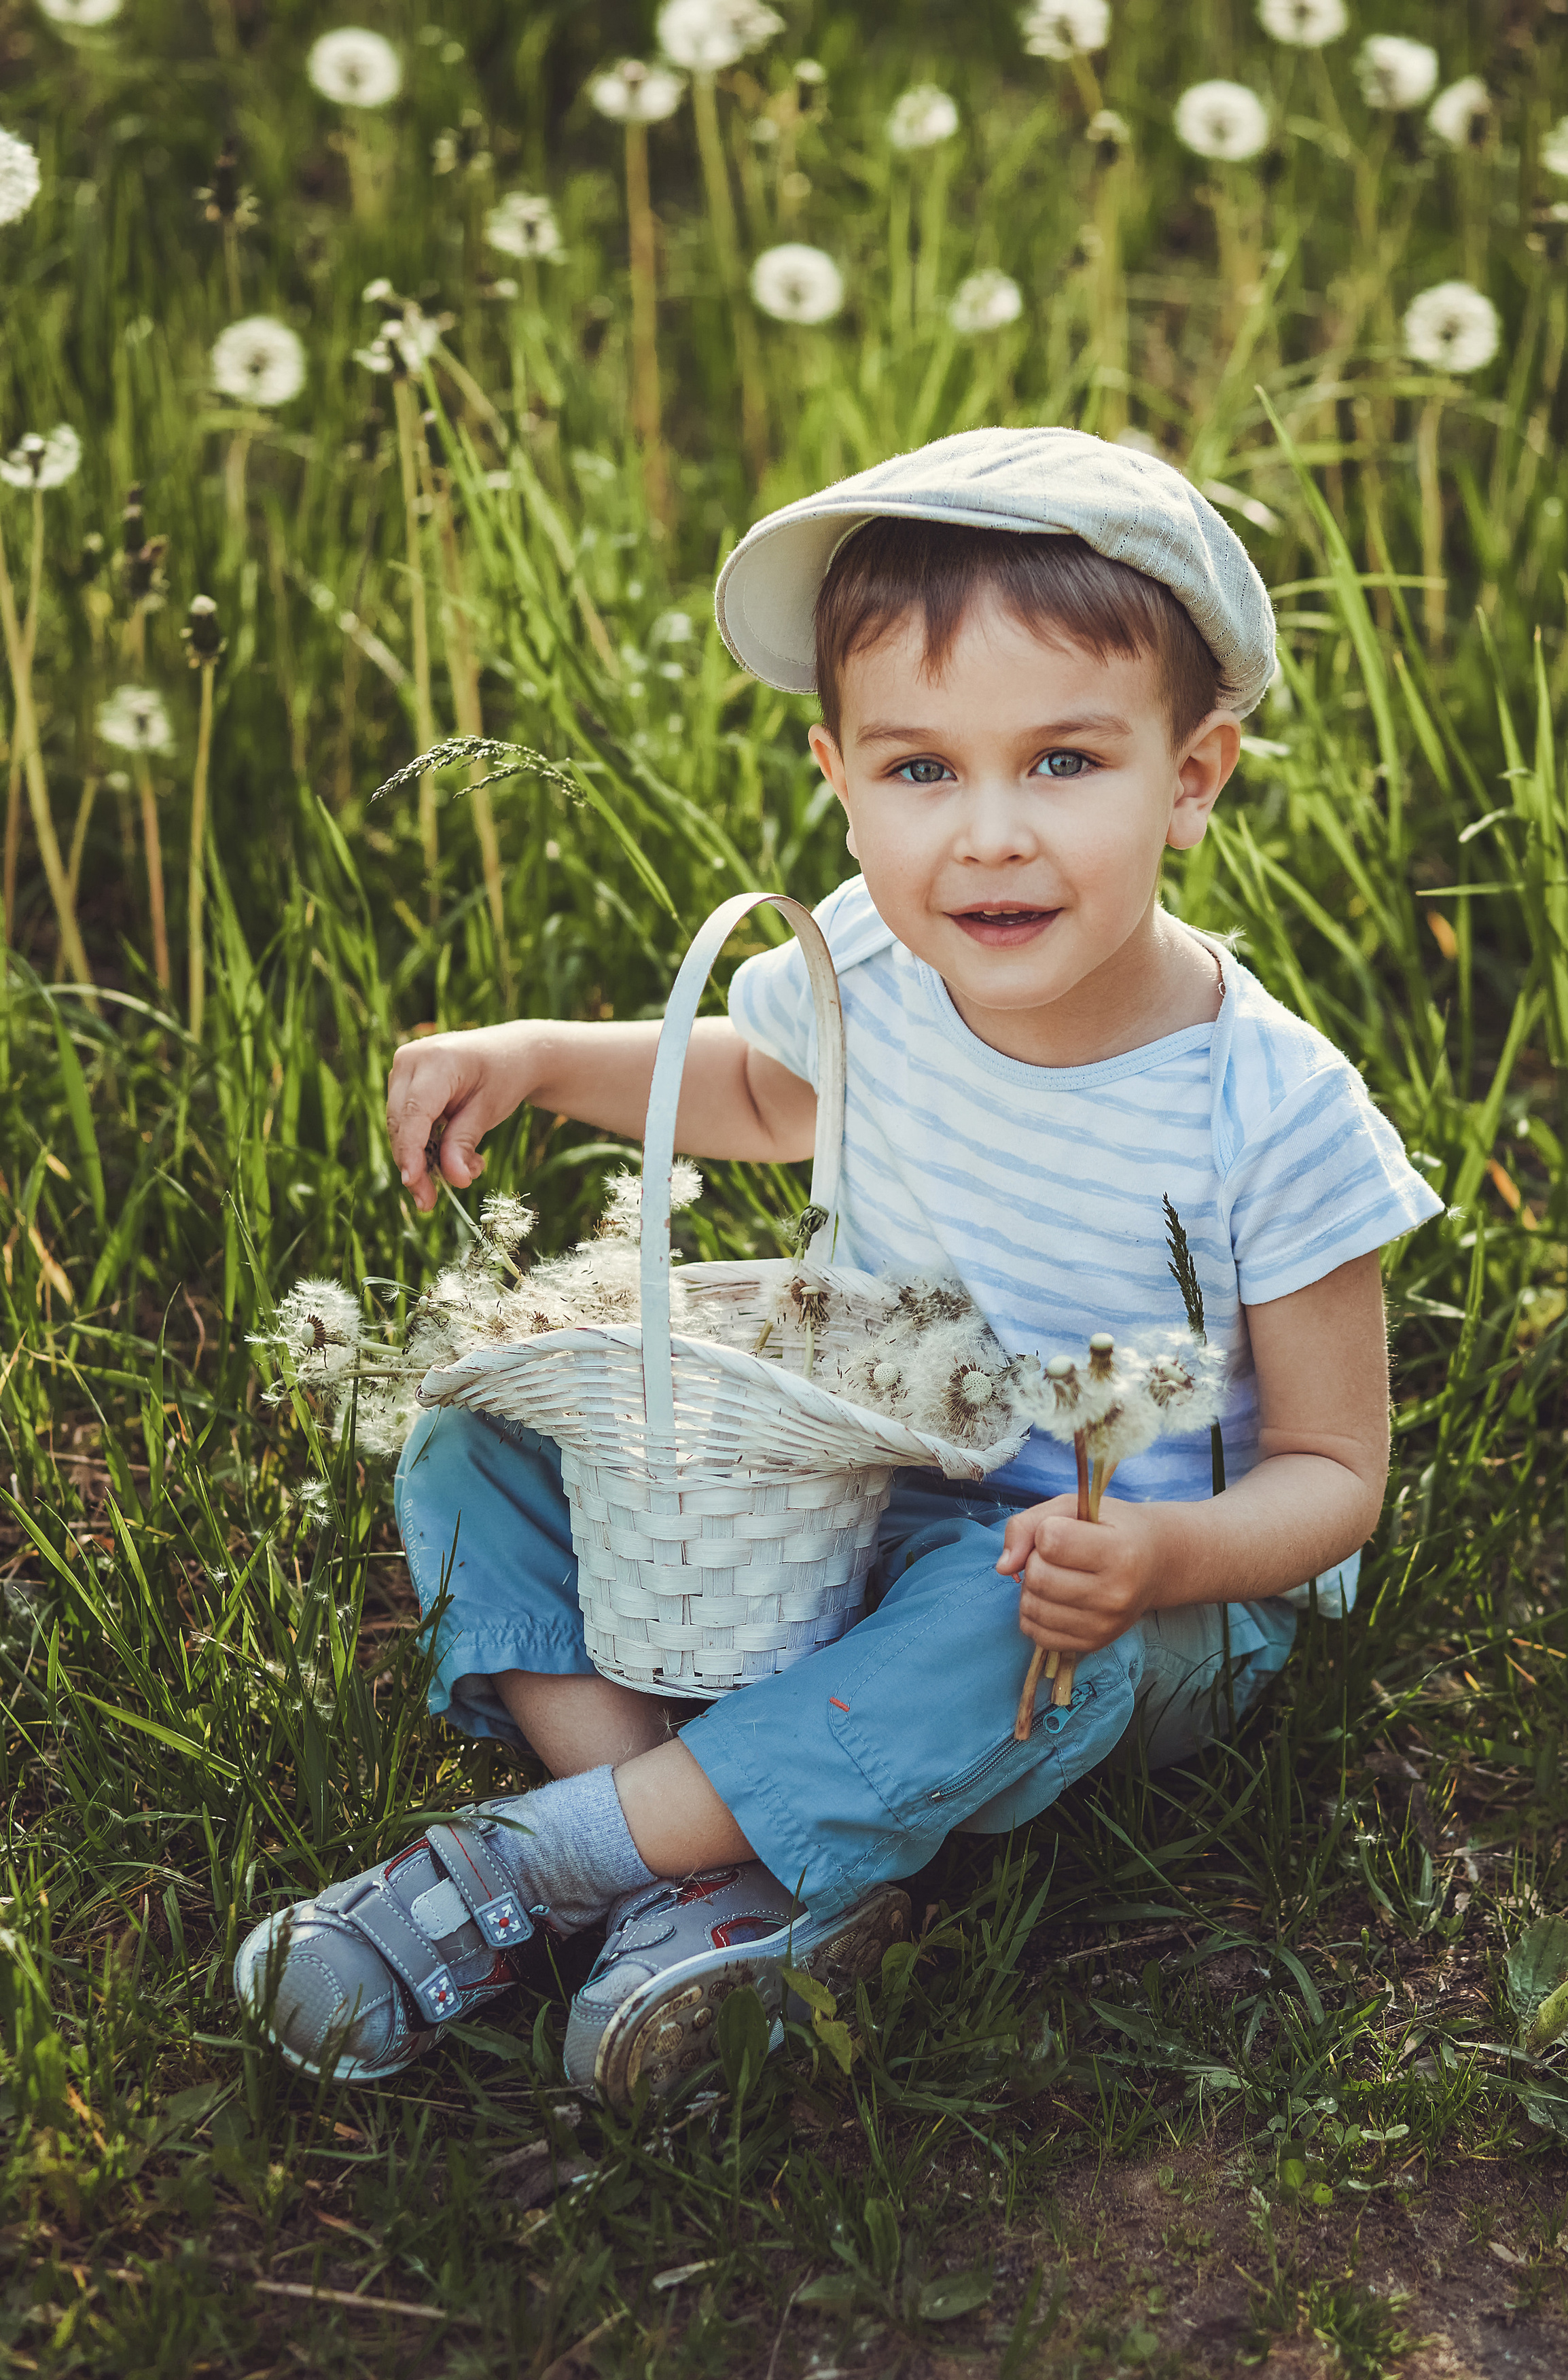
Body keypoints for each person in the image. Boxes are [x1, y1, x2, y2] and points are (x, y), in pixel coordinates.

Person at [235, 427, 1441, 2107]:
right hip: (851, 1474)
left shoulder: (1271, 1107)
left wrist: (1158, 1550)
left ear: (1196, 772)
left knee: (1007, 1619)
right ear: (835, 769)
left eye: (1065, 761)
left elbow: (1334, 1473)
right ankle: (722, 1862)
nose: (989, 836)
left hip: (1104, 1583)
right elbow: (759, 1091)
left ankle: (545, 1863)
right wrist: (532, 1057)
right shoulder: (866, 955)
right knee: (476, 1444)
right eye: (920, 771)